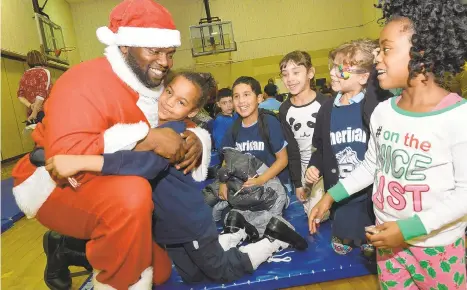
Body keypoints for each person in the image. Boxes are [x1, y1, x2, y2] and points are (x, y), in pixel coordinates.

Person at [11, 0, 211, 289]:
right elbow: (63, 158)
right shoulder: (82, 81)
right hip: (55, 182)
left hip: (110, 175)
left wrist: (195, 140)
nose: (165, 62)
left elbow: (179, 122)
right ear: (125, 46)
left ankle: (69, 248)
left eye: (169, 53)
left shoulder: (152, 82)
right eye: (154, 51)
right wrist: (146, 138)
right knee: (131, 195)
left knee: (161, 272)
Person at [46, 71, 300, 284]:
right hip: (170, 231)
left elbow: (139, 164)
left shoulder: (173, 138)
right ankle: (236, 234)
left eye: (181, 102)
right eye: (169, 92)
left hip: (191, 226)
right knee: (192, 276)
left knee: (222, 271)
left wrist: (80, 161)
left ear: (192, 111)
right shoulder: (151, 126)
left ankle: (274, 241)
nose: (169, 102)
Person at [309, 1, 467, 289]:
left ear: (421, 53)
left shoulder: (458, 117)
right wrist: (329, 196)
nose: (377, 59)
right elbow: (371, 165)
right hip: (387, 241)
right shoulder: (384, 112)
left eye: (385, 49)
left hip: (435, 246)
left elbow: (464, 194)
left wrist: (408, 230)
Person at [306, 39, 379, 256]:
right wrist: (314, 165)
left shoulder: (373, 106)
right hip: (338, 186)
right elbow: (320, 147)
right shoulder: (327, 109)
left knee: (368, 225)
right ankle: (344, 234)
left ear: (365, 77)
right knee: (345, 226)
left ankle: (367, 236)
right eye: (333, 67)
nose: (333, 73)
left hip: (368, 190)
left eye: (343, 70)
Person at [278, 51, 328, 216]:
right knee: (310, 213)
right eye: (285, 74)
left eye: (296, 72)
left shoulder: (325, 103)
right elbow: (291, 150)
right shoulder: (285, 109)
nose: (290, 79)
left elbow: (329, 144)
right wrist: (298, 183)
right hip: (303, 170)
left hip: (324, 167)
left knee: (321, 214)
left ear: (310, 73)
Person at [17, 50, 51, 124]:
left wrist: (30, 106)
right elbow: (41, 95)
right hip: (44, 112)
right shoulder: (44, 72)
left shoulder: (25, 74)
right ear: (41, 58)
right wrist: (34, 113)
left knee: (37, 134)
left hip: (30, 113)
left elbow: (20, 95)